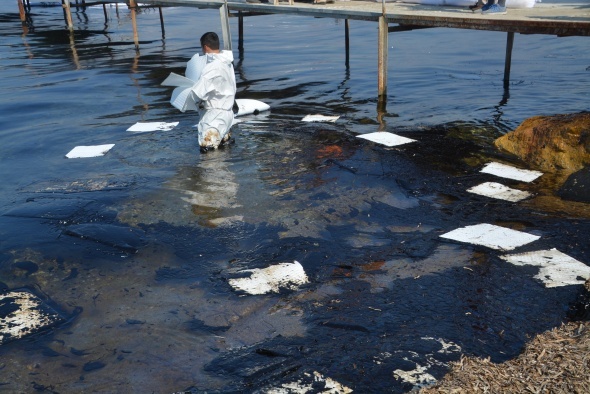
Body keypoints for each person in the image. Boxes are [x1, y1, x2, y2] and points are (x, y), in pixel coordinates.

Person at [189, 32, 237, 153]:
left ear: (205, 47)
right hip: (227, 115)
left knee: (208, 156)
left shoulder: (212, 67)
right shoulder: (227, 63)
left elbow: (198, 93)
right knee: (223, 150)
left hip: (214, 117)